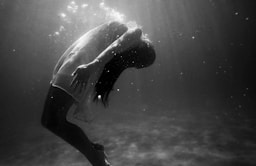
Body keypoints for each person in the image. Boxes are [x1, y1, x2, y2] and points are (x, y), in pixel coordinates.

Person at [41, 21, 156, 166]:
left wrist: (92, 65)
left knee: (51, 121)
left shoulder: (128, 37)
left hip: (81, 66)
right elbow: (116, 45)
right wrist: (92, 65)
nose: (131, 64)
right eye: (136, 62)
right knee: (50, 121)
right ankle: (95, 155)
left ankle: (95, 157)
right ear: (142, 50)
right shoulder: (136, 32)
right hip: (82, 65)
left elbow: (113, 47)